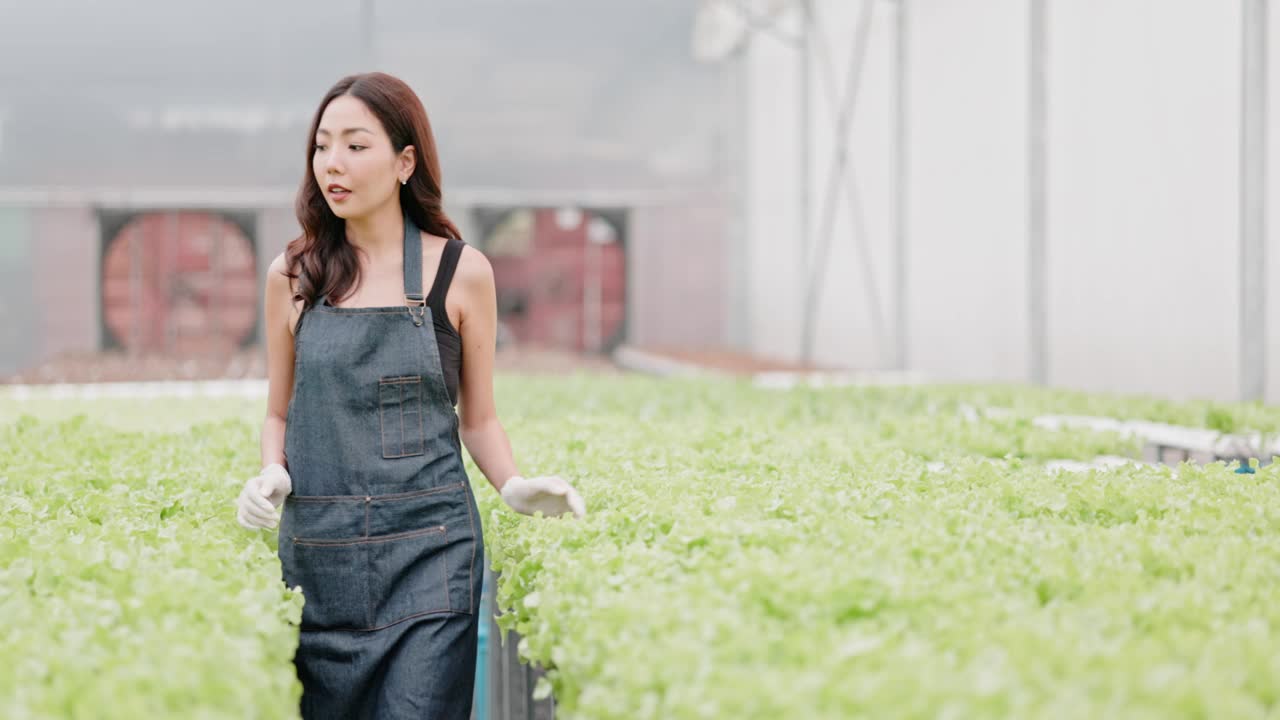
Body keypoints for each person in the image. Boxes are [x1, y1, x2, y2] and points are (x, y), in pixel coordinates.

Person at [233, 71, 586, 719]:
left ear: (404, 162)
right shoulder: (294, 276)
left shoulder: (461, 272)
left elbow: (478, 419)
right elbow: (279, 411)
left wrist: (512, 486)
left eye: (355, 145)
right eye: (321, 146)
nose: (331, 164)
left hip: (431, 559)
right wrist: (271, 473)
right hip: (318, 564)